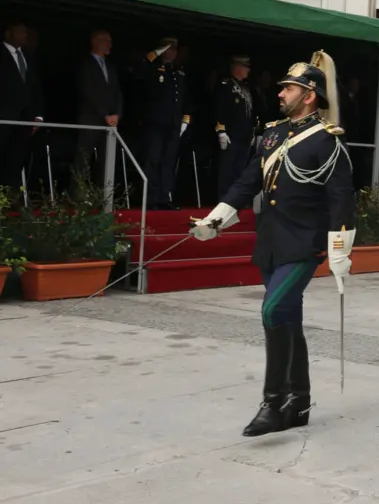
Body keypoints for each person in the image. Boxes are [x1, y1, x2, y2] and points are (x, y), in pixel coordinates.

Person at [190, 51, 355, 436]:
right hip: (271, 242)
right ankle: (298, 402)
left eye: (289, 89)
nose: (280, 94)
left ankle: (273, 401)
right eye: (282, 88)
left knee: (272, 311)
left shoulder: (327, 142)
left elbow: (341, 199)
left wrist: (339, 251)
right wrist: (216, 219)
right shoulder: (273, 133)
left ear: (310, 95)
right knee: (288, 320)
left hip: (303, 242)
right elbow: (249, 181)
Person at [136, 37, 191, 209]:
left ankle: (164, 197)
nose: (172, 52)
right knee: (153, 160)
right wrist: (154, 54)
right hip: (155, 123)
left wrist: (185, 118)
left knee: (168, 161)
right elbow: (139, 71)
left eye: (175, 49)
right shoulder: (152, 67)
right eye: (169, 48)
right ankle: (151, 199)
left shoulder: (178, 71)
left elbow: (184, 97)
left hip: (173, 124)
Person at [73, 29, 123, 191]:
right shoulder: (85, 64)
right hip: (90, 118)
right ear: (95, 41)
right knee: (84, 158)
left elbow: (117, 92)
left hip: (110, 122)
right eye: (106, 40)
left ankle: (104, 196)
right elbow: (88, 91)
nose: (110, 45)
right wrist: (104, 114)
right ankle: (77, 196)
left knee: (106, 159)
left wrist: (117, 113)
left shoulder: (110, 66)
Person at [0, 20, 45, 189]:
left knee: (16, 159)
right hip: (3, 117)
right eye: (20, 32)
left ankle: (10, 198)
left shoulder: (27, 57)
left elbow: (35, 88)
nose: (25, 36)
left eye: (26, 32)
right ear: (8, 33)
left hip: (24, 119)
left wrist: (39, 115)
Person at [214, 55, 258, 197]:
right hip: (230, 134)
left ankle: (236, 198)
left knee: (240, 170)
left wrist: (253, 131)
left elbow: (250, 111)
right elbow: (220, 109)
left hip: (244, 134)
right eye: (245, 67)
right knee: (227, 169)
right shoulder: (226, 85)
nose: (248, 71)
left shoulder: (246, 87)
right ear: (237, 68)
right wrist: (221, 131)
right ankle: (224, 198)